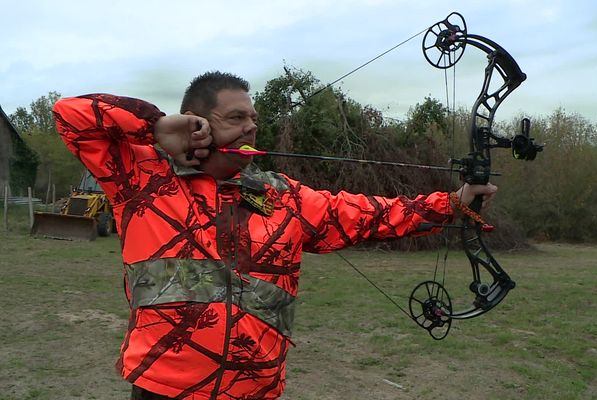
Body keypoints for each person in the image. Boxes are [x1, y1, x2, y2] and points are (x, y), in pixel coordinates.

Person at [53, 71, 497, 400]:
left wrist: (454, 201)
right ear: (197, 123)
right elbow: (70, 114)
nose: (250, 127)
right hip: (165, 388)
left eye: (254, 118)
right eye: (235, 117)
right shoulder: (142, 178)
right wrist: (153, 125)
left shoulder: (280, 195)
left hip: (255, 389)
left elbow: (367, 215)